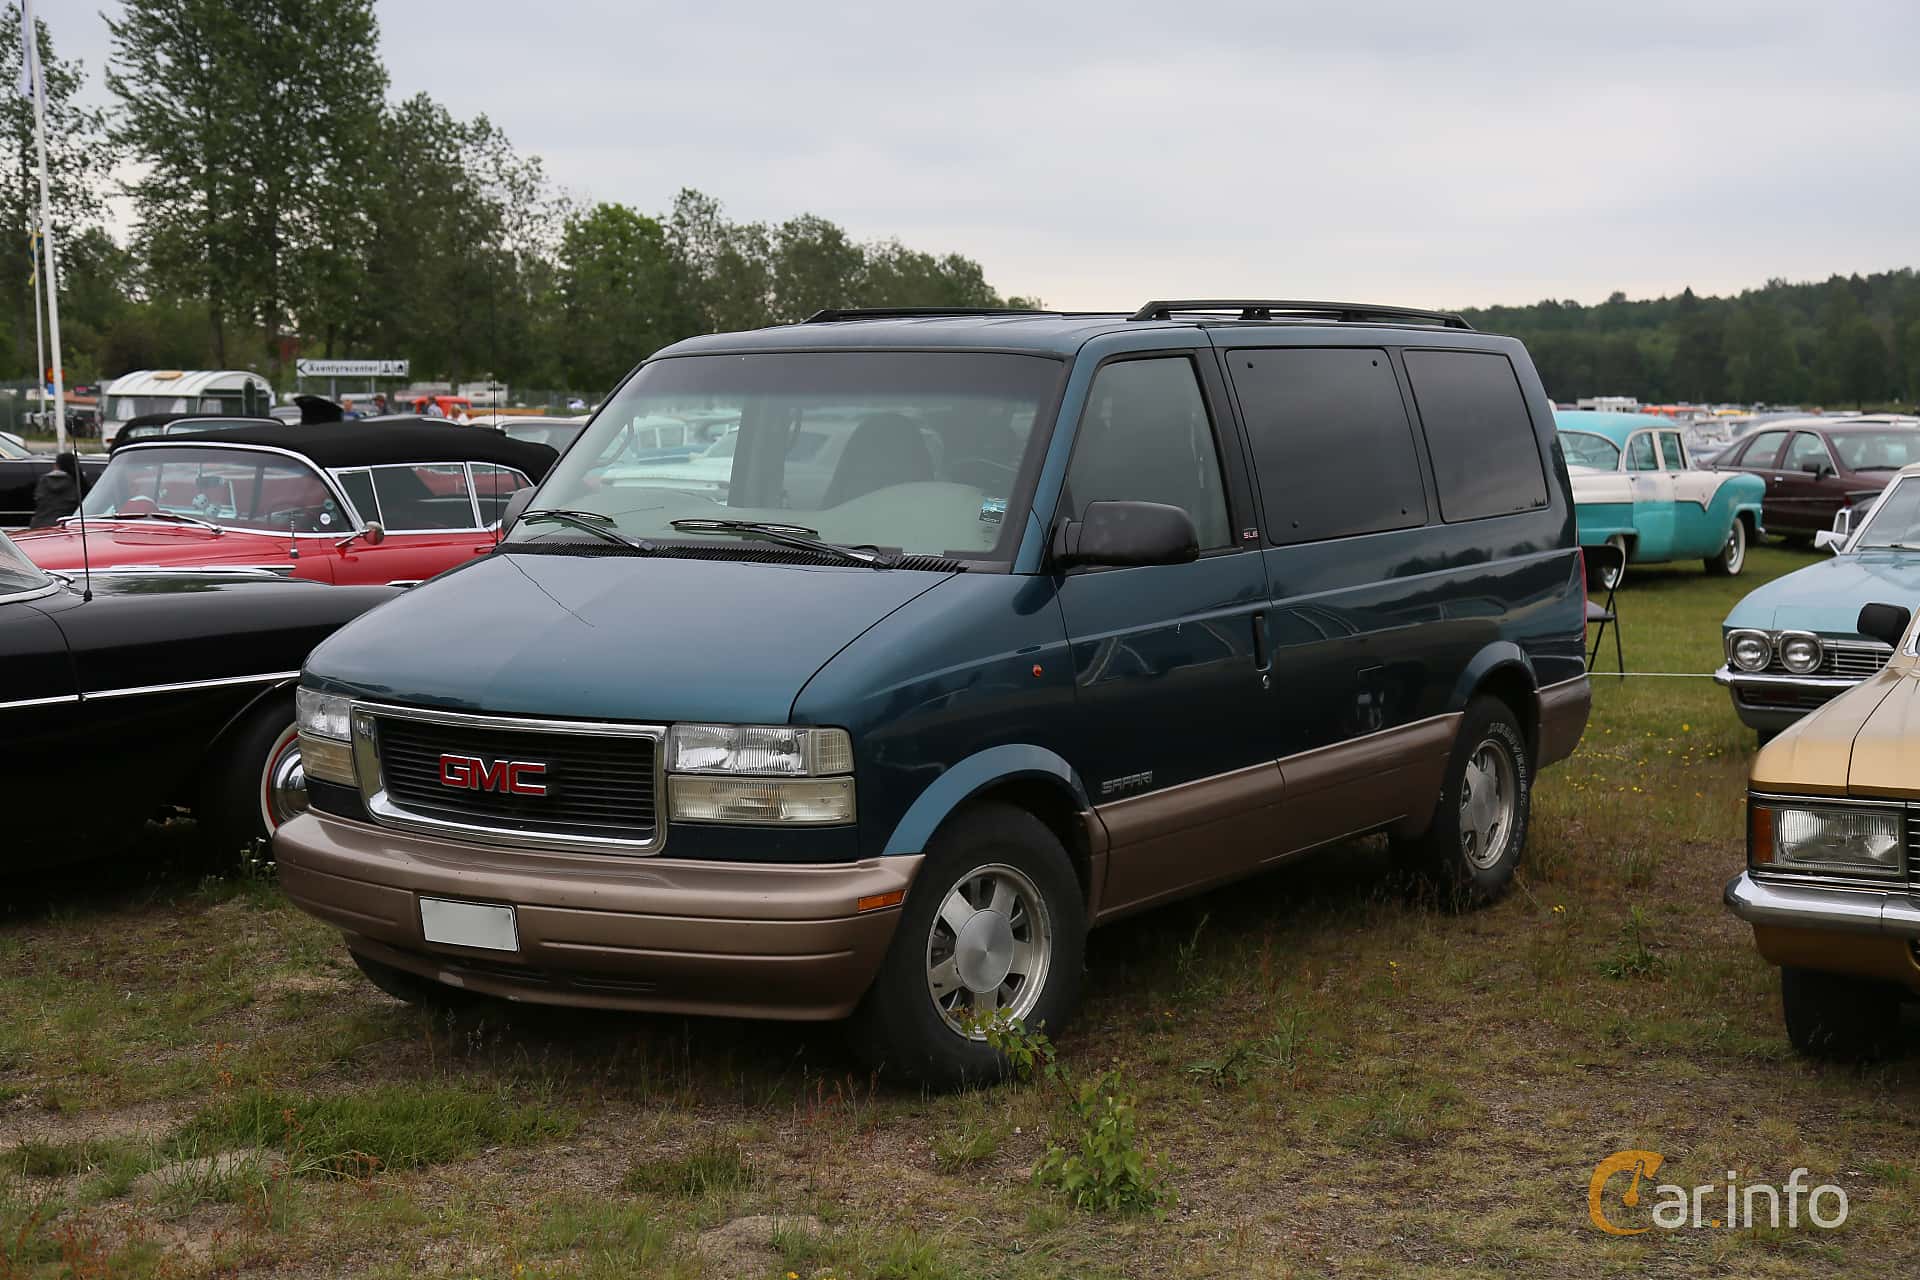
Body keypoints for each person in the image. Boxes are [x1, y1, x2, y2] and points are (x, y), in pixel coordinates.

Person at [29, 453, 83, 527]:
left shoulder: (44, 480)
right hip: (65, 526)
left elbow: (38, 501)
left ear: (56, 465)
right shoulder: (77, 482)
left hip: (40, 525)